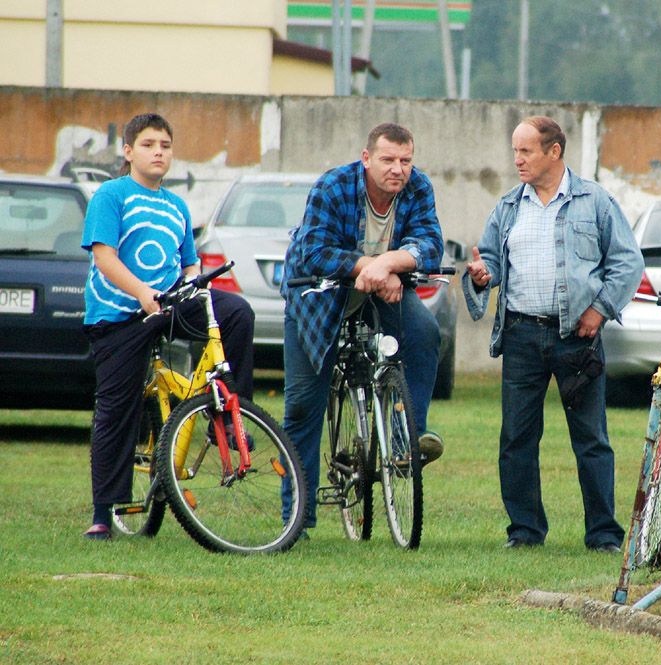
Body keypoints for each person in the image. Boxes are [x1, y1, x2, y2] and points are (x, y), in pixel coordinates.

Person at [463, 116, 643, 552]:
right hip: (522, 335)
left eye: (525, 151)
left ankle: (603, 536)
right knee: (516, 439)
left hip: (577, 339)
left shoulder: (595, 202)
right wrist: (484, 275)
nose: (517, 160)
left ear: (554, 152)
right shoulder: (508, 207)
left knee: (591, 440)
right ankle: (524, 532)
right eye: (515, 151)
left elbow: (627, 263)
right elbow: (490, 262)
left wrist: (599, 311)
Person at [82, 113, 255, 540]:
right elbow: (104, 257)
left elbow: (188, 262)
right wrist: (143, 294)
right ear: (128, 151)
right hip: (119, 316)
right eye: (148, 144)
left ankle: (227, 414)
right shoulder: (112, 195)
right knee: (116, 409)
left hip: (169, 305)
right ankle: (104, 513)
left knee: (236, 313)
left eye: (165, 144)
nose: (159, 151)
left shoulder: (176, 206)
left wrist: (192, 283)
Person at [280, 123, 444, 533]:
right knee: (303, 403)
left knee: (424, 332)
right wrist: (368, 266)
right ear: (366, 158)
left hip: (383, 288)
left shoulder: (417, 187)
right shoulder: (332, 187)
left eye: (406, 161)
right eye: (388, 159)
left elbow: (430, 243)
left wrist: (388, 264)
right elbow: (314, 250)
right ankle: (297, 518)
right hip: (318, 294)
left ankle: (407, 442)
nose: (398, 169)